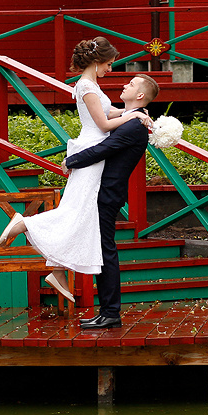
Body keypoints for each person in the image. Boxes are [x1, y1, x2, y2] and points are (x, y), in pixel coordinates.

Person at [0, 37, 151, 303]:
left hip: (93, 150)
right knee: (76, 211)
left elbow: (109, 112)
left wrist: (134, 113)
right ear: (96, 61)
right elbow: (102, 125)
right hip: (91, 150)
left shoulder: (92, 86)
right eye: (109, 64)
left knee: (81, 212)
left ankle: (57, 269)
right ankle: (24, 223)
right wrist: (134, 116)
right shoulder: (87, 86)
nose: (111, 70)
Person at [61, 73, 160, 329]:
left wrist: (70, 161)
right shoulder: (130, 120)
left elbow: (101, 150)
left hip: (107, 194)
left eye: (131, 84)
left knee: (106, 251)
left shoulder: (133, 126)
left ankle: (110, 312)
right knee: (102, 249)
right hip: (104, 191)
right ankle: (106, 309)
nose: (125, 84)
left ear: (139, 96)